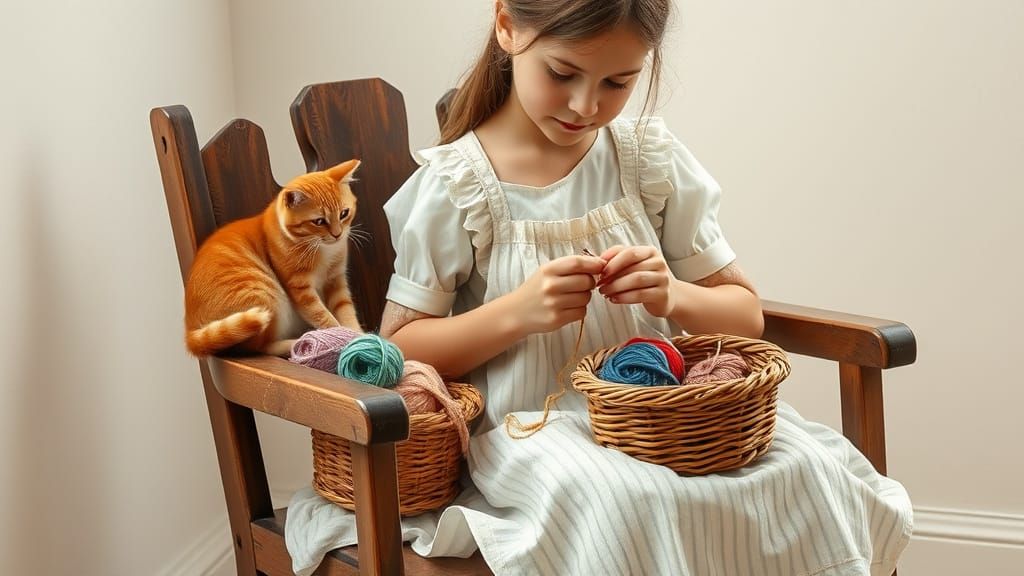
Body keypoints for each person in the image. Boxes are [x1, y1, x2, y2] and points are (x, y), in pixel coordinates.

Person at [286, 2, 912, 574]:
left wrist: (671, 294)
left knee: (799, 471)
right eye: (562, 73)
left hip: (669, 418)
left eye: (618, 83)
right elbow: (404, 347)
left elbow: (743, 316)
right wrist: (517, 313)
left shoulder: (647, 161)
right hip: (536, 430)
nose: (586, 105)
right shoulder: (459, 185)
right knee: (631, 502)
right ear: (508, 26)